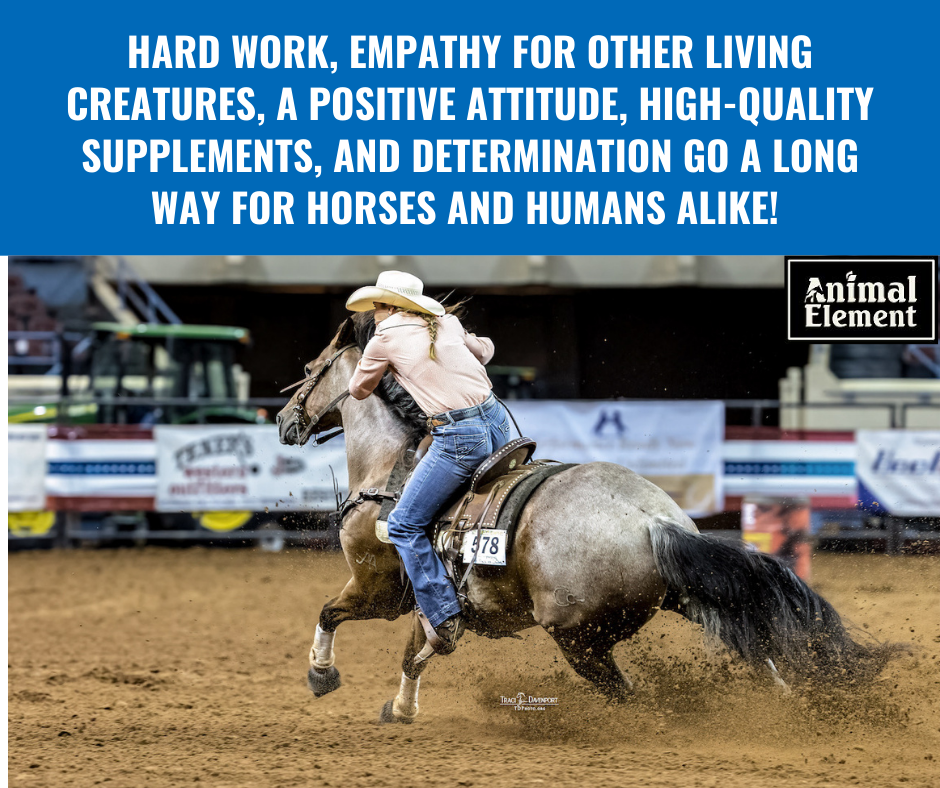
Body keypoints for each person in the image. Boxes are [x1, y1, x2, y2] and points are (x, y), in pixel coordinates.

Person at [345, 271, 511, 654]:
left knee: (403, 524)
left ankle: (444, 612)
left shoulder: (383, 339)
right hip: (499, 423)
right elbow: (485, 351)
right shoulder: (446, 322)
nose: (374, 314)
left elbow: (357, 390)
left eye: (377, 307)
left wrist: (384, 363)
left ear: (389, 307)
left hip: (459, 438)